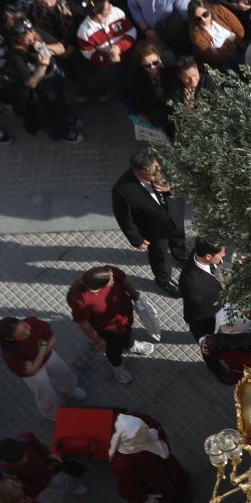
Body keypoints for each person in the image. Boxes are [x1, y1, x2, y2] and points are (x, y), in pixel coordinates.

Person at [111, 147, 189, 296]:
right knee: (159, 255)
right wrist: (136, 239)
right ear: (139, 174)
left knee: (179, 237)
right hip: (154, 229)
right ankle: (164, 280)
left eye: (158, 169)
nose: (158, 174)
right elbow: (124, 218)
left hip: (175, 215)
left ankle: (180, 255)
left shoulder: (163, 165)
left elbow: (186, 181)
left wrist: (171, 186)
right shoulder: (122, 190)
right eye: (153, 174)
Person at [67, 265, 155, 385]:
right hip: (108, 330)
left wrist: (135, 296)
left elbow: (125, 281)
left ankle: (131, 345)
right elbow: (84, 323)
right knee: (114, 349)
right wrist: (97, 340)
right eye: (110, 281)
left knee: (128, 333)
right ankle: (117, 366)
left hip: (124, 318)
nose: (113, 280)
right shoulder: (81, 299)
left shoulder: (108, 272)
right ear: (97, 288)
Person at [109, 412, 192, 503]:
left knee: (176, 483)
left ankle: (180, 496)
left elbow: (149, 420)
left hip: (166, 467)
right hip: (156, 485)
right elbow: (127, 487)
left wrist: (154, 430)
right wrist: (144, 499)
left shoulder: (132, 420)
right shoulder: (123, 463)